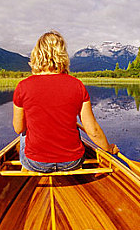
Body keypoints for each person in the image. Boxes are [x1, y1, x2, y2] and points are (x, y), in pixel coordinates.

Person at [12, 30, 119, 172]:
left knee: (24, 133)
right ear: (63, 55)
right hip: (72, 162)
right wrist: (108, 148)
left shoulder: (22, 86)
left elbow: (19, 128)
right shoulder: (77, 85)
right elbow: (92, 130)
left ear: (37, 55)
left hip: (35, 163)